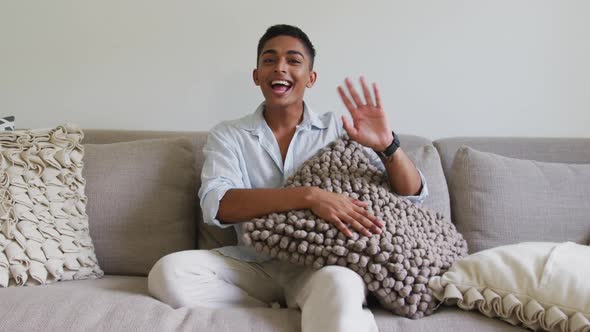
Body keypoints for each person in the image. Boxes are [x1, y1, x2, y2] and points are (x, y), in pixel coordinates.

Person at [148, 24, 428, 332]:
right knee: (168, 274)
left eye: (293, 60)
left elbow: (411, 194)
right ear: (257, 76)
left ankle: (314, 307)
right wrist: (309, 196)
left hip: (321, 264)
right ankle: (294, 310)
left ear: (311, 77)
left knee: (343, 283)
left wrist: (388, 145)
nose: (280, 67)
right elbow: (218, 206)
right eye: (269, 60)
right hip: (252, 264)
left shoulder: (339, 129)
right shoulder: (229, 135)